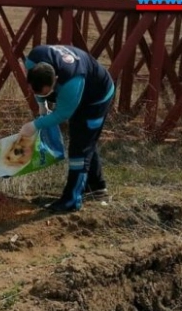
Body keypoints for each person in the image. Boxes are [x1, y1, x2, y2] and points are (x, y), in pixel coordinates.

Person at [19, 44, 116, 213]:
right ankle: (96, 187)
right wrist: (42, 105)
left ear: (55, 79)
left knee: (79, 148)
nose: (43, 95)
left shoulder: (71, 82)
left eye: (46, 92)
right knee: (84, 140)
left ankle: (72, 200)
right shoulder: (34, 60)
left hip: (96, 98)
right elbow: (37, 89)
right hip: (80, 92)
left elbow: (62, 115)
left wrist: (35, 125)